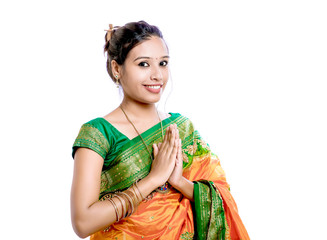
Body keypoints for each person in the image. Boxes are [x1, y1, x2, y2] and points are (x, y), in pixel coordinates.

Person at [71, 20, 250, 240]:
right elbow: (82, 223)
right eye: (144, 64)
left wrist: (179, 182)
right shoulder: (98, 134)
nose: (157, 75)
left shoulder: (181, 128)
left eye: (163, 63)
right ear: (117, 68)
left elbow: (222, 199)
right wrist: (152, 180)